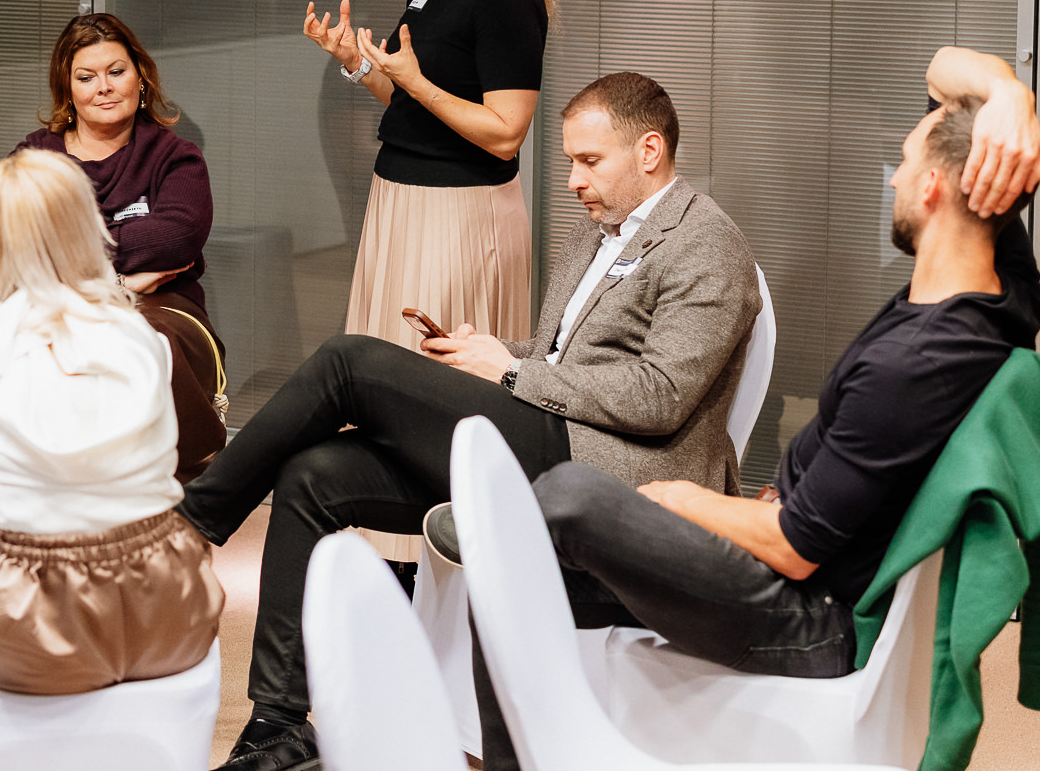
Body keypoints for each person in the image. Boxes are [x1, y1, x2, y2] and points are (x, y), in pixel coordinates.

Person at [459, 47, 1040, 770]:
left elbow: (793, 545)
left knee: (565, 499)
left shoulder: (909, 367)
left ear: (930, 188)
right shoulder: (1001, 296)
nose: (892, 177)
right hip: (796, 573)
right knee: (508, 564)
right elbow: (942, 70)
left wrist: (676, 499)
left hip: (807, 618)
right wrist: (1010, 96)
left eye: (901, 163)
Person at [177, 71, 761, 771]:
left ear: (649, 150)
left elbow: (659, 397)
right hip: (551, 434)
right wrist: (486, 350)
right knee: (313, 474)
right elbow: (559, 353)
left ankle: (189, 525)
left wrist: (510, 371)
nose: (573, 180)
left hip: (615, 472)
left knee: (348, 364)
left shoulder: (706, 243)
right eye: (570, 160)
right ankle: (277, 722)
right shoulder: (597, 233)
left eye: (589, 160)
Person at [303, 0, 553, 564]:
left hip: (461, 211)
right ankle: (387, 544)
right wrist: (360, 66)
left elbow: (505, 132)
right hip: (399, 200)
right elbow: (413, 100)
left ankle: (444, 551)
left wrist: (413, 80)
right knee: (383, 369)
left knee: (434, 383)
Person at [0, 149, 225, 694]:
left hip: (35, 623)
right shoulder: (144, 337)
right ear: (87, 230)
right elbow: (161, 463)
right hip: (173, 604)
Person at [15, 11, 226, 478]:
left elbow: (178, 236)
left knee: (133, 341)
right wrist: (121, 282)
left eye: (116, 71)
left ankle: (148, 477)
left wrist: (69, 244)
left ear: (140, 77)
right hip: (57, 303)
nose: (104, 88)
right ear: (67, 88)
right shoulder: (35, 158)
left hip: (164, 308)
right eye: (86, 77)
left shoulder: (176, 157)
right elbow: (17, 244)